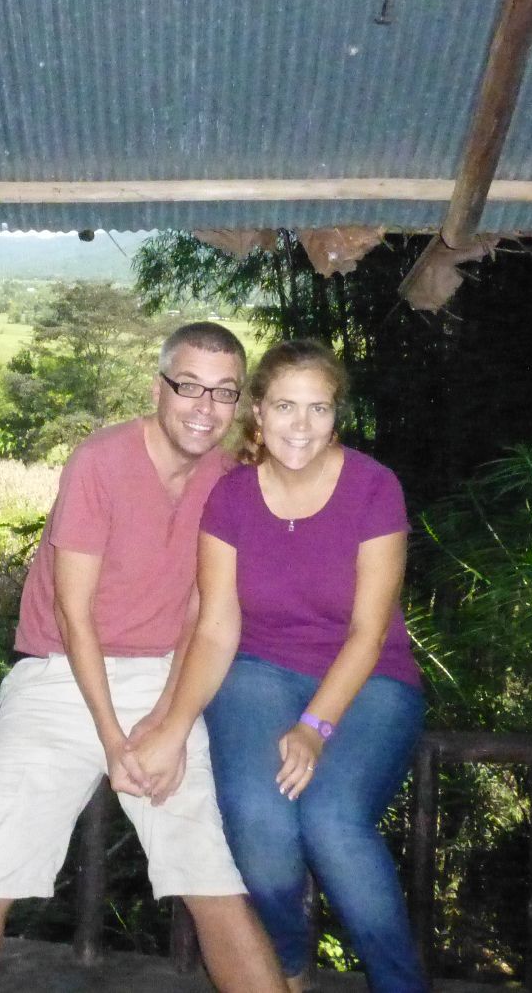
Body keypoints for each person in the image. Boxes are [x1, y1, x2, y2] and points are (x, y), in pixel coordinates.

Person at [0, 323, 290, 993]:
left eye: (224, 391)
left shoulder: (228, 481)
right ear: (158, 388)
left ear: (240, 403)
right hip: (58, 673)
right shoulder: (101, 462)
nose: (205, 407)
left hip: (164, 677)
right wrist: (115, 739)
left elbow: (202, 613)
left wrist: (169, 724)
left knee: (211, 875)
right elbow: (72, 613)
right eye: (190, 386)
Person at [131, 339, 428, 992]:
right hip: (258, 670)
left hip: (370, 678)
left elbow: (369, 631)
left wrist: (315, 726)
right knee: (257, 816)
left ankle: (401, 984)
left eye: (318, 408)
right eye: (286, 406)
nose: (302, 424)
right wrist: (173, 725)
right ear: (258, 413)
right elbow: (215, 625)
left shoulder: (374, 487)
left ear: (336, 415)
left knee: (332, 819)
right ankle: (287, 968)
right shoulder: (232, 498)